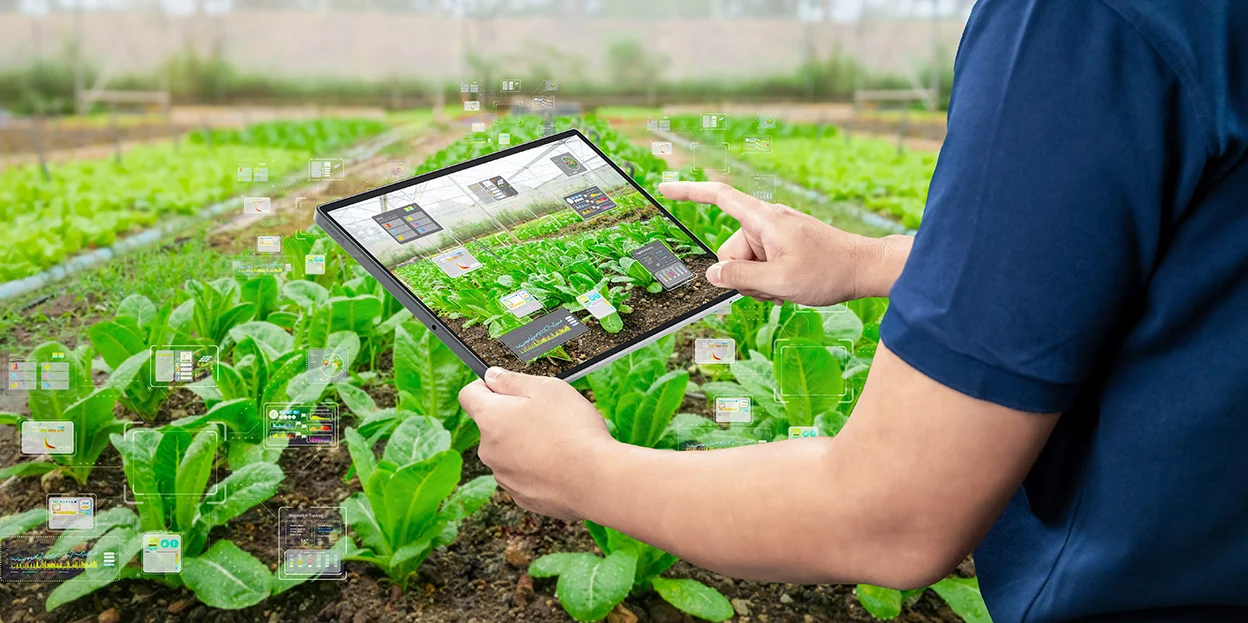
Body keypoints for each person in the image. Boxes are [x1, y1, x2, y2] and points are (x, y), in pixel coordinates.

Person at [459, 1, 1248, 620]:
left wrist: (582, 469)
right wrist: (867, 260)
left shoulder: (1082, 22)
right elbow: (1160, 247)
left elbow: (892, 514)